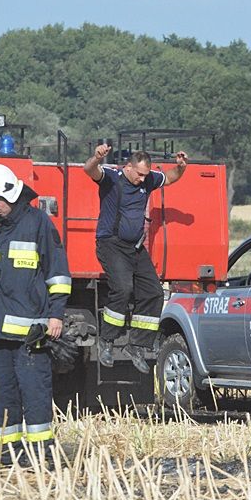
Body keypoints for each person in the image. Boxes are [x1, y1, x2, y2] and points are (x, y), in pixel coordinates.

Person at [0, 163, 71, 468]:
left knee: (35, 391)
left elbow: (57, 272)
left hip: (31, 331)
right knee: (1, 394)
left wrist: (56, 316)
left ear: (10, 193)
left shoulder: (38, 223)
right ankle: (8, 451)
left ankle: (42, 452)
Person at [84, 144, 188, 374]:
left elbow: (170, 178)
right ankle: (107, 341)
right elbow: (89, 170)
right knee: (123, 288)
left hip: (135, 248)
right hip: (110, 244)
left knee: (154, 292)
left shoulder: (148, 179)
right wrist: (96, 157)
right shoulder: (111, 177)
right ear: (128, 167)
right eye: (139, 174)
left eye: (145, 175)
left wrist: (181, 168)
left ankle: (137, 346)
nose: (142, 179)